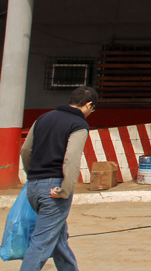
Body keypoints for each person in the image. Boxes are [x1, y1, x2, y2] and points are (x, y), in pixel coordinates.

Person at [19, 86, 98, 271]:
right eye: (92, 109)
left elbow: (25, 150)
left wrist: (33, 175)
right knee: (40, 244)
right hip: (54, 190)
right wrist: (65, 189)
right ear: (89, 105)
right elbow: (71, 159)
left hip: (34, 186)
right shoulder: (79, 125)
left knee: (58, 238)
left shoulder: (42, 118)